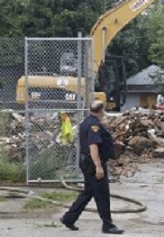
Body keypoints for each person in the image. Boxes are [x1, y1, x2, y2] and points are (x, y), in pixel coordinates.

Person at [60, 100, 124, 235]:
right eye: (104, 110)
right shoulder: (94, 125)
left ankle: (69, 218)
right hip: (93, 163)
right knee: (102, 194)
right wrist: (98, 166)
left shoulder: (86, 122)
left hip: (87, 162)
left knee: (88, 192)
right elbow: (93, 146)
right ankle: (108, 225)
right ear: (101, 110)